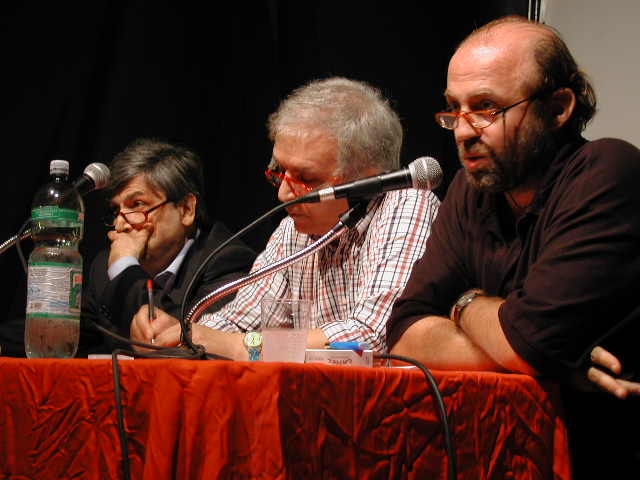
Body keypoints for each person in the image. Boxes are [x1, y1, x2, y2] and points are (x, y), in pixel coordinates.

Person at [386, 15, 640, 476]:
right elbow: (404, 333)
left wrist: (464, 304)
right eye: (454, 109)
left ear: (558, 108)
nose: (463, 131)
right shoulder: (469, 191)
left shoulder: (608, 170)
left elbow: (530, 343)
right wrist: (543, 359)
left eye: (486, 108)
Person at [130, 77, 440, 359]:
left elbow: (373, 334)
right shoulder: (293, 230)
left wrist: (239, 345)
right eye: (279, 171)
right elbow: (239, 321)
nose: (282, 194)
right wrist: (178, 333)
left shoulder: (405, 203)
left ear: (367, 181)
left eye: (305, 178)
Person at [80, 138, 256, 353]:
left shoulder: (226, 262)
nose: (120, 225)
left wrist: (125, 270)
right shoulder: (104, 266)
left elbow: (178, 341)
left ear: (186, 209)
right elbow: (73, 340)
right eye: (116, 210)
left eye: (137, 204)